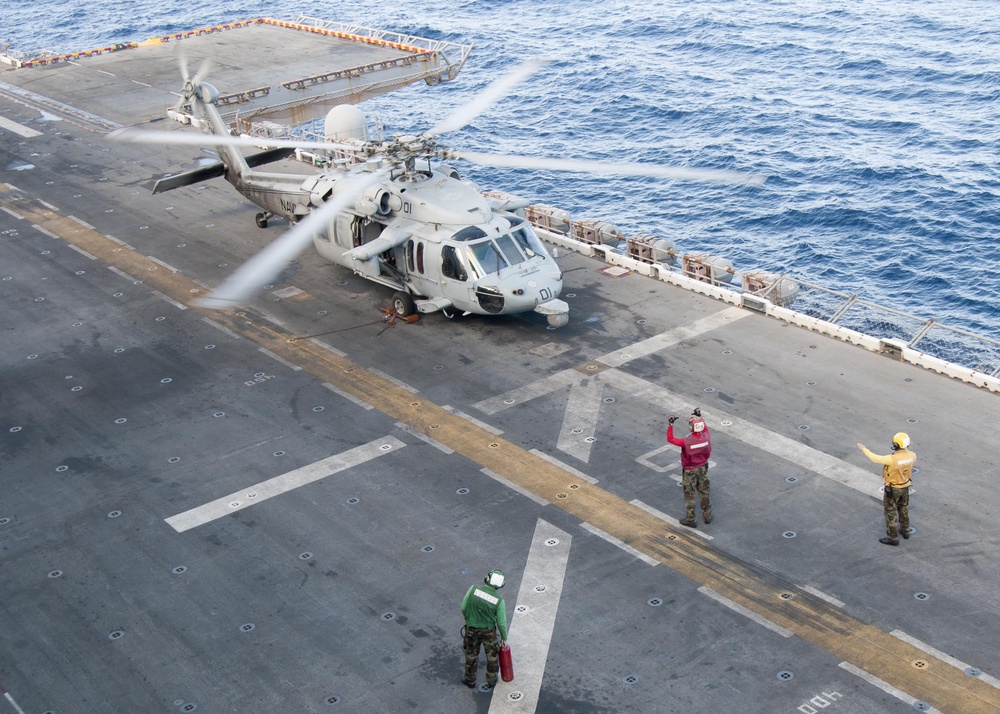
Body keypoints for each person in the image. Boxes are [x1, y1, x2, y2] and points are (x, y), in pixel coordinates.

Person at [857, 433, 917, 546]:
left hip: (893, 488)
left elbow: (875, 458)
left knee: (890, 512)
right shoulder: (913, 455)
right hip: (905, 486)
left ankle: (892, 537)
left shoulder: (892, 459)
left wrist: (864, 449)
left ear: (895, 444)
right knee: (903, 508)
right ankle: (905, 530)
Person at [461, 569, 509, 690]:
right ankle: (492, 680)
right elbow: (501, 623)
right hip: (488, 632)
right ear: (501, 585)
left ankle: (469, 679)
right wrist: (504, 638)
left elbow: (463, 607)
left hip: (471, 629)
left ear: (487, 579)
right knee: (492, 657)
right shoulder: (499, 601)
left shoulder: (473, 589)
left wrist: (469, 620)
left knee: (471, 655)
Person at [666, 408, 713, 527]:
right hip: (703, 468)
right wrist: (699, 416)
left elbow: (670, 439)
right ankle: (707, 516)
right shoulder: (706, 436)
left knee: (690, 495)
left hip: (690, 470)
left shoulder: (686, 441)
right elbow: (705, 428)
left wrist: (671, 424)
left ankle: (691, 519)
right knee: (704, 492)